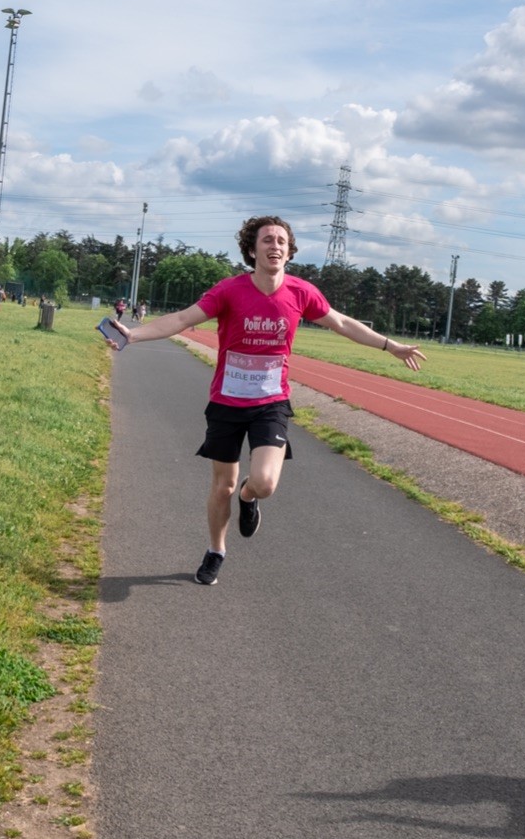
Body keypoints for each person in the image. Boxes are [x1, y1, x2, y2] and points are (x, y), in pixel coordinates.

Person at [107, 215, 425, 585]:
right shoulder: (229, 290)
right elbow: (181, 319)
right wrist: (134, 334)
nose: (275, 246)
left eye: (281, 241)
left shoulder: (301, 292)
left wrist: (391, 346)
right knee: (221, 486)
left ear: (289, 252)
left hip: (270, 403)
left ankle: (248, 497)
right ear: (252, 249)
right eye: (267, 240)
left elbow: (342, 323)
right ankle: (216, 550)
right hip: (227, 402)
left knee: (265, 483)